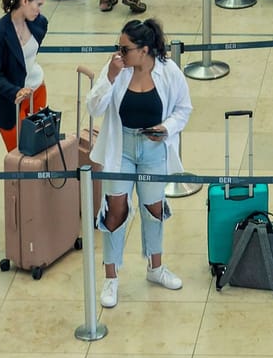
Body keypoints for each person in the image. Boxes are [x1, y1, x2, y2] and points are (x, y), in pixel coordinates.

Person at [82, 18, 193, 308]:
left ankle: (156, 268)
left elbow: (184, 108)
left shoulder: (169, 72)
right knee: (115, 210)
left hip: (153, 148)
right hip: (121, 149)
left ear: (144, 50)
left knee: (154, 208)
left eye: (124, 49)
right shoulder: (116, 70)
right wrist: (109, 76)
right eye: (118, 48)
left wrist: (166, 128)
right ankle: (111, 278)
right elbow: (94, 107)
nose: (119, 54)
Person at [0, 0, 54, 150]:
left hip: (37, 90)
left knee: (38, 147)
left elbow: (28, 57)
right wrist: (16, 91)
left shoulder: (40, 23)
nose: (39, 10)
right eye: (37, 5)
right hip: (12, 99)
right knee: (18, 153)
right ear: (24, 1)